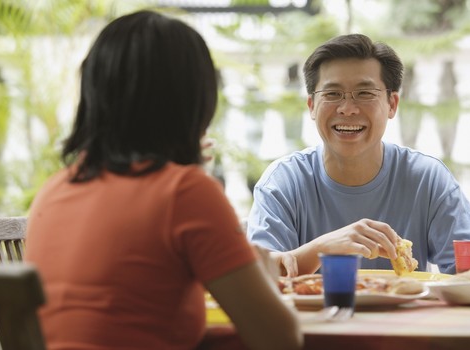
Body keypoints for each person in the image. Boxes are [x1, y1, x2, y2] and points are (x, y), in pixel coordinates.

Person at [24, 10, 302, 350]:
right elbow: (279, 338)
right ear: (194, 97)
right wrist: (266, 280)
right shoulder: (184, 192)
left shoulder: (56, 188)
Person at [247, 33, 470, 276]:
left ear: (392, 105)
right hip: (313, 322)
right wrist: (324, 247)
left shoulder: (426, 178)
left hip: (409, 321)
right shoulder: (282, 183)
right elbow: (257, 279)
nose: (347, 109)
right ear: (312, 106)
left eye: (365, 93)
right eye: (333, 94)